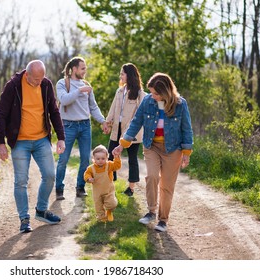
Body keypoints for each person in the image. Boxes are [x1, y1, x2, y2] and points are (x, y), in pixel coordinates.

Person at [113, 72, 193, 232]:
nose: (153, 96)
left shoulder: (180, 104)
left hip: (173, 149)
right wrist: (122, 144)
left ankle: (163, 220)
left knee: (167, 186)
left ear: (166, 91)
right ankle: (151, 211)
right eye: (151, 92)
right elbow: (136, 122)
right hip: (152, 146)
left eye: (156, 93)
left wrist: (186, 152)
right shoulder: (148, 101)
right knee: (152, 176)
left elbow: (186, 128)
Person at [0, 60, 66, 234]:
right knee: (21, 181)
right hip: (19, 141)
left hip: (42, 139)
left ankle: (41, 210)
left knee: (50, 175)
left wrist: (61, 137)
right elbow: (2, 114)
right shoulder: (13, 86)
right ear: (27, 74)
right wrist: (1, 142)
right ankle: (24, 219)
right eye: (35, 79)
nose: (39, 82)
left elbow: (54, 111)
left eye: (41, 78)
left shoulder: (46, 84)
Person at [55, 56, 109, 200]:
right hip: (68, 125)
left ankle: (80, 187)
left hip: (85, 125)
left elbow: (93, 106)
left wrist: (103, 121)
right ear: (74, 69)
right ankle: (59, 189)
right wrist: (80, 91)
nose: (85, 71)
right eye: (83, 68)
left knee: (85, 159)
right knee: (63, 159)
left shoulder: (86, 84)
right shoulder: (62, 83)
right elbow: (64, 99)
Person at [105, 63, 146, 197]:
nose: (120, 76)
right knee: (111, 155)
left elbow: (140, 115)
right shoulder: (119, 91)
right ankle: (110, 183)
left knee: (132, 158)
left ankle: (131, 188)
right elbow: (112, 109)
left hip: (132, 131)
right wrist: (107, 122)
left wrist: (130, 130)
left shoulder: (140, 94)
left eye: (122, 73)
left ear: (129, 75)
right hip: (117, 128)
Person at [84, 145, 121, 222]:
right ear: (93, 159)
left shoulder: (109, 165)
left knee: (112, 204)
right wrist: (89, 178)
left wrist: (117, 157)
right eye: (98, 159)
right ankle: (101, 217)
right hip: (97, 192)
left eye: (103, 158)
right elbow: (86, 174)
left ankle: (109, 211)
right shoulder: (91, 168)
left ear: (107, 158)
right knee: (98, 205)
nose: (100, 160)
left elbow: (117, 166)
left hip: (108, 190)